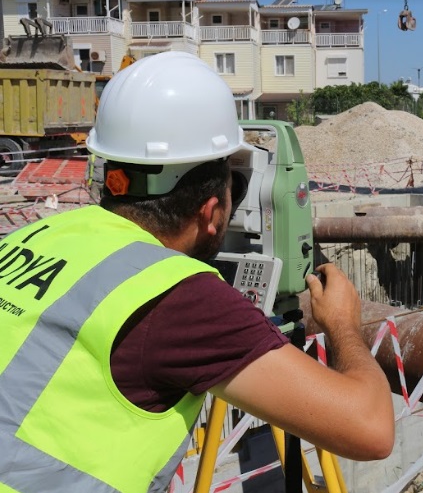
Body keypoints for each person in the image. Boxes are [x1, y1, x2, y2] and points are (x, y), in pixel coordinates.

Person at [0, 51, 394, 493]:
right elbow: (371, 430)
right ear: (211, 212)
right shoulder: (181, 299)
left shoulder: (39, 233)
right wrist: (342, 324)